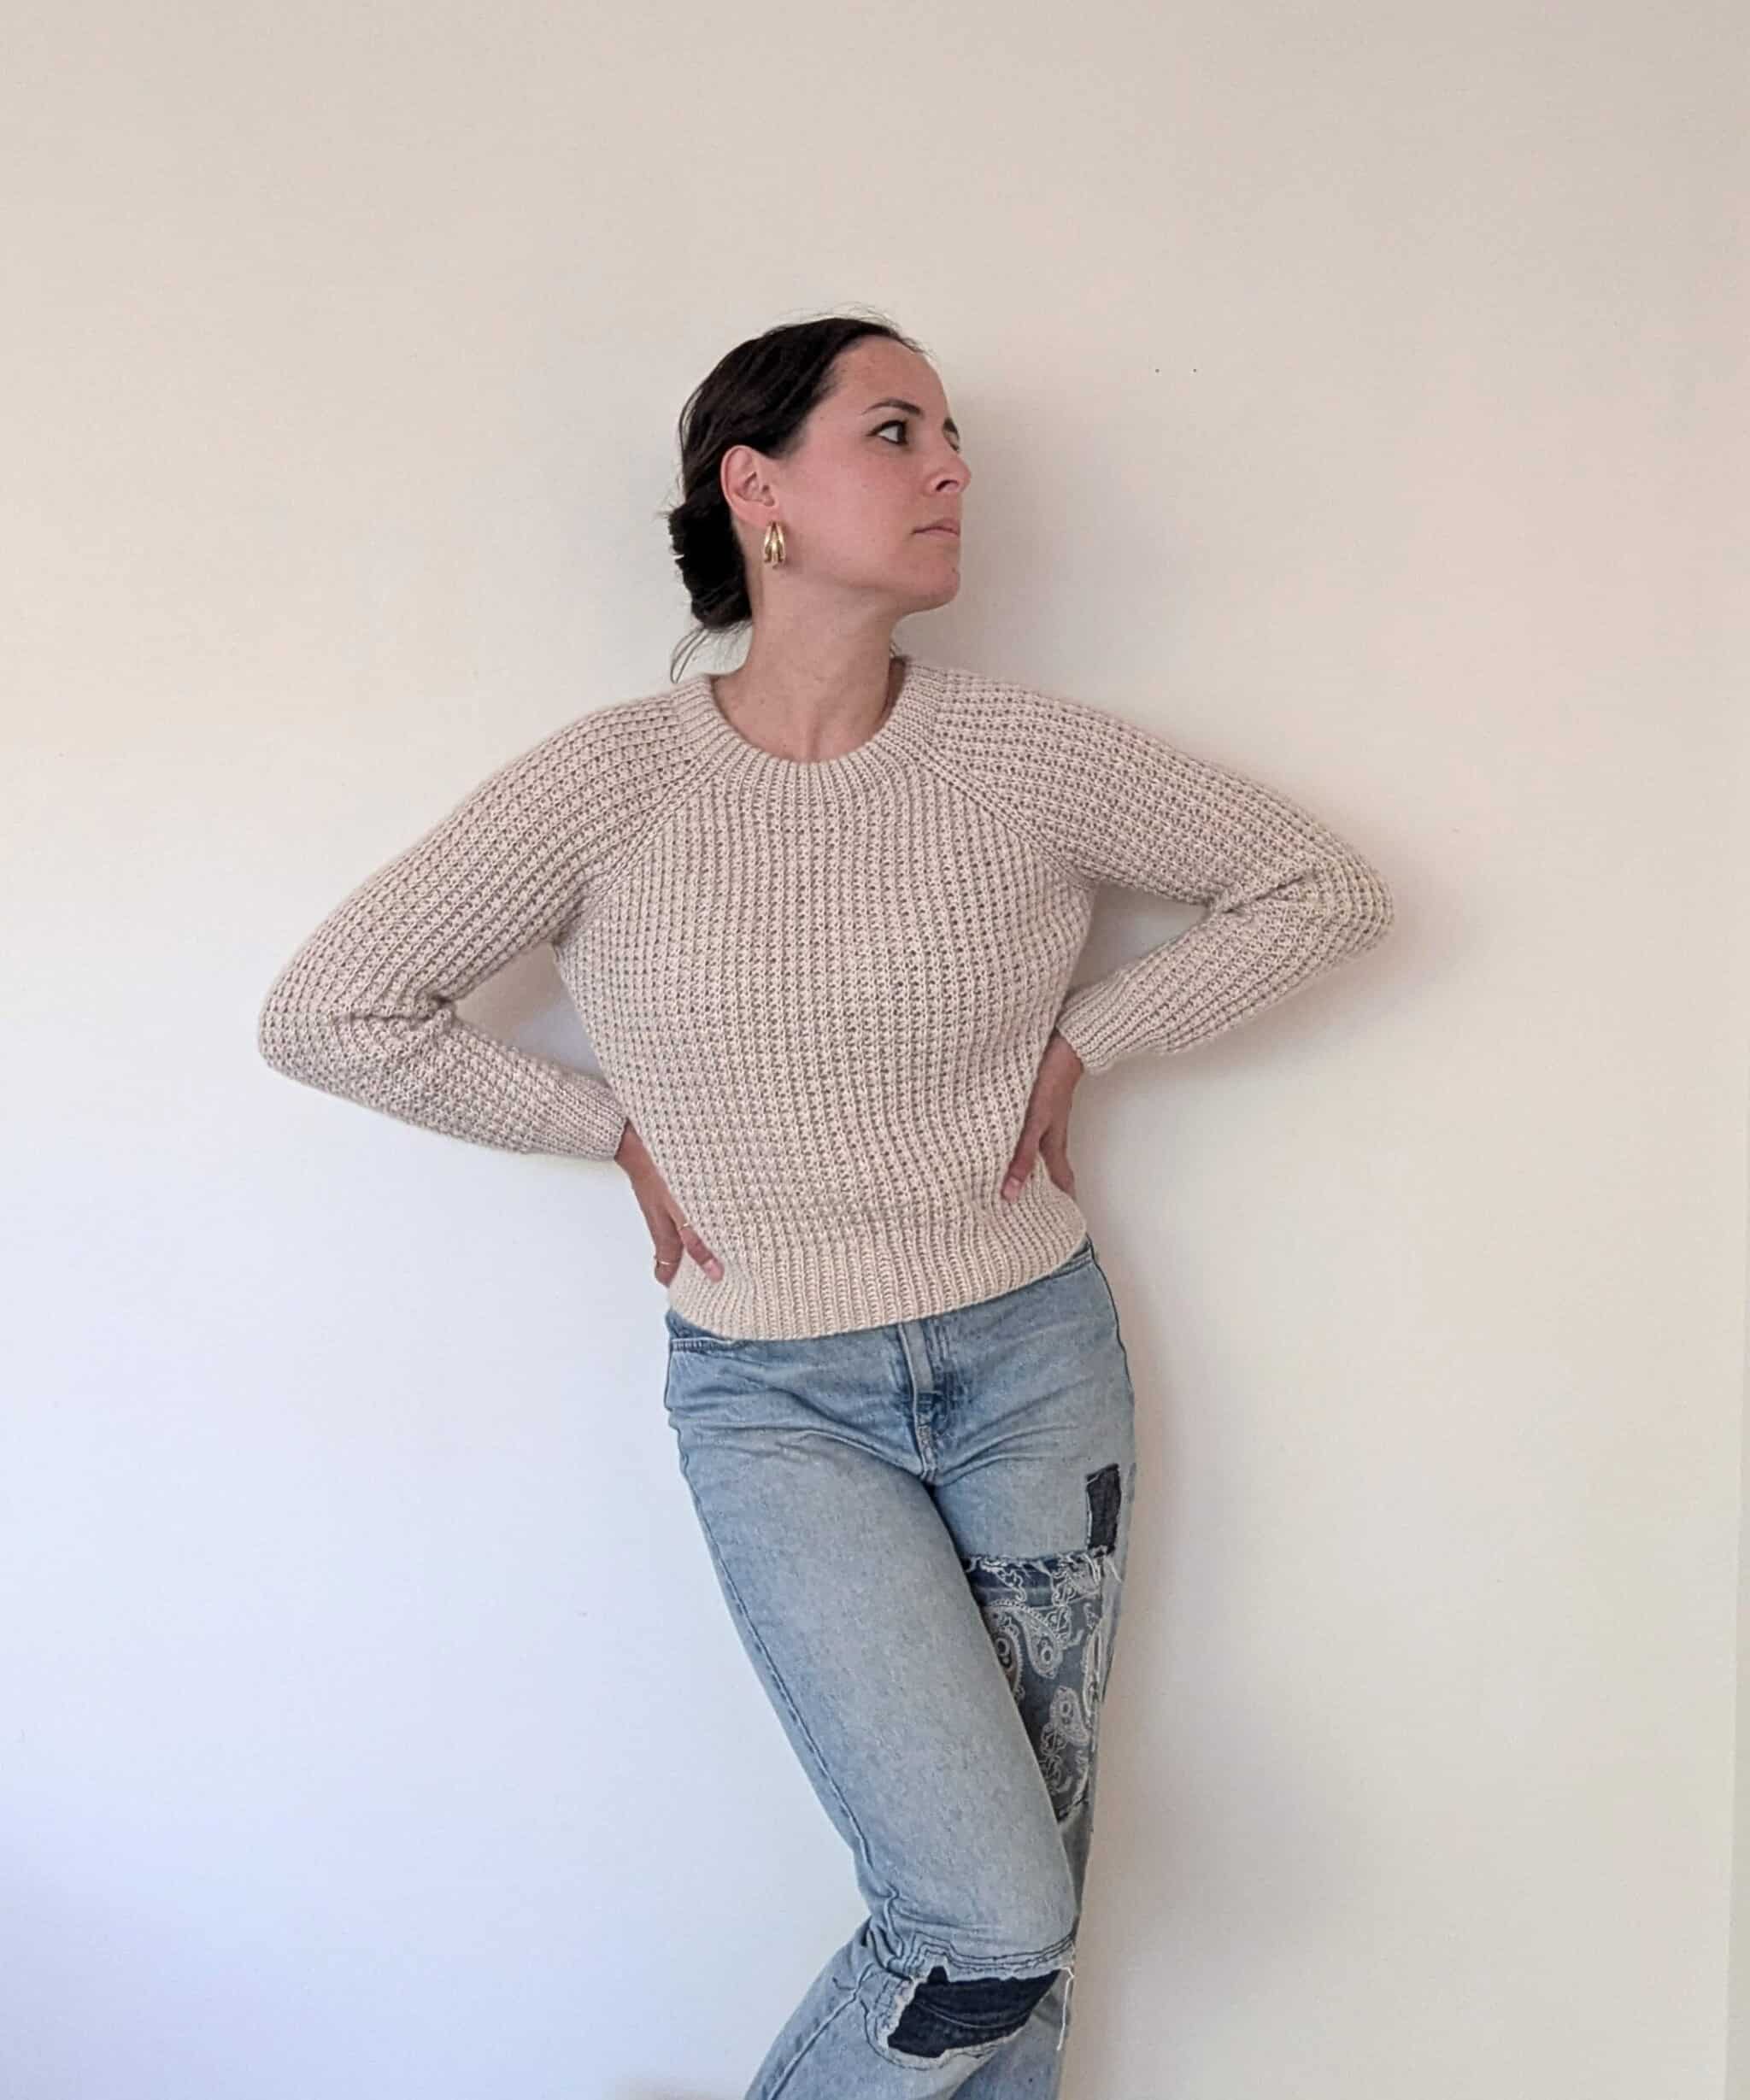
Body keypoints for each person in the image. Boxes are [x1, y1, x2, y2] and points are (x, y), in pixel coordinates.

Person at [257, 311, 1395, 2094]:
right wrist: (602, 1125)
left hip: (1034, 1364)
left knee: (1033, 1930)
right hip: (777, 1402)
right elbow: (327, 1008)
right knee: (983, 1916)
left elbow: (1320, 888)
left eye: (951, 436)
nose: (953, 469)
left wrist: (1092, 1039)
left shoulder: (1023, 756)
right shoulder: (606, 782)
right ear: (756, 488)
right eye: (896, 430)